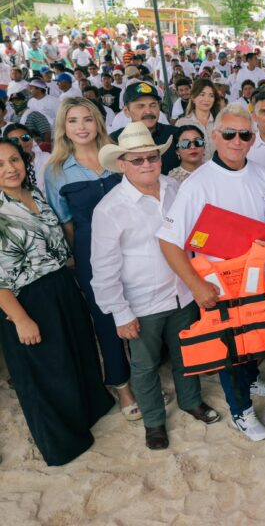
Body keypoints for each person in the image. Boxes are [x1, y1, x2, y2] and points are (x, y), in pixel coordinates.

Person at [90, 122, 219, 450]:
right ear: (122, 164)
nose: (147, 164)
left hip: (183, 292)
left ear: (161, 159)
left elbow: (193, 234)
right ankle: (154, 422)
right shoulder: (109, 209)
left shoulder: (175, 189)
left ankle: (191, 402)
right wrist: (120, 313)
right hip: (142, 301)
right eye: (138, 160)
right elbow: (104, 269)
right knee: (145, 366)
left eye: (152, 157)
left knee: (187, 355)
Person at [157, 103, 265, 441]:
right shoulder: (198, 184)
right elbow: (168, 242)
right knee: (230, 349)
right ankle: (240, 411)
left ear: (253, 139)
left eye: (244, 134)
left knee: (255, 338)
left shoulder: (263, 175)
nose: (237, 141)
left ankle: (253, 378)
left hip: (257, 279)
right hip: (219, 286)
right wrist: (196, 286)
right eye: (229, 134)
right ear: (215, 136)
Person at [0, 137, 114, 466]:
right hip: (25, 299)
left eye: (14, 160)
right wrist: (20, 319)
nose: (10, 168)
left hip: (61, 286)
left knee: (76, 356)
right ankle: (63, 442)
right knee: (46, 373)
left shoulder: (33, 193)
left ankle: (89, 413)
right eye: (1, 164)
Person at [43, 97, 139, 418]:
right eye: (73, 121)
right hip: (89, 249)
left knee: (140, 306)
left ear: (98, 122)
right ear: (64, 128)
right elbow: (65, 220)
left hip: (133, 244)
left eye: (87, 119)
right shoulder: (57, 170)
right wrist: (81, 257)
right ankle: (122, 384)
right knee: (106, 317)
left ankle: (144, 374)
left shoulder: (117, 158)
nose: (81, 127)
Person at [113, 82, 180, 175]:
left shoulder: (176, 134)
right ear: (126, 111)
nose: (148, 111)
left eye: (153, 105)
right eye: (140, 106)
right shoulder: (114, 141)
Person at [175, 78, 221, 160]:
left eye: (211, 95)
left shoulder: (220, 122)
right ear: (193, 97)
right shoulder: (182, 123)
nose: (206, 99)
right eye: (202, 94)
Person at [3, 123, 50, 192]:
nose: (21, 143)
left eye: (25, 137)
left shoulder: (48, 158)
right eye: (14, 140)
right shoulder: (7, 168)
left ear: (31, 139)